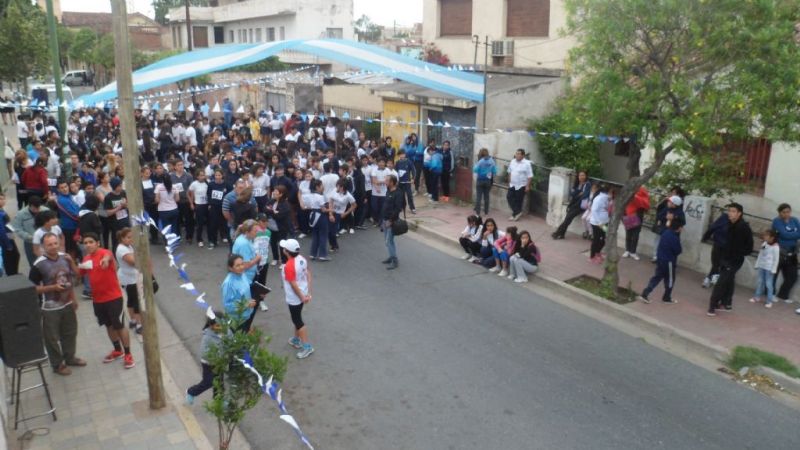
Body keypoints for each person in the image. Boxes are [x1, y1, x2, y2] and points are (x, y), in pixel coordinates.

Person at [29, 233, 85, 375]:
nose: (54, 247)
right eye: (50, 244)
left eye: (56, 243)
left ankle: (70, 358)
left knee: (70, 332)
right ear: (43, 246)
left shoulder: (65, 257)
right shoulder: (38, 265)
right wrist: (52, 288)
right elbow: (32, 289)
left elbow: (72, 278)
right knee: (52, 338)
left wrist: (73, 298)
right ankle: (57, 364)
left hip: (67, 303)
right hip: (49, 307)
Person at [79, 232, 135, 369]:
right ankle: (117, 350)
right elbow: (79, 274)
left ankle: (128, 354)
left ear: (97, 243)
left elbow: (108, 256)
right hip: (98, 300)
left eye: (91, 242)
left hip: (113, 298)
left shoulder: (105, 252)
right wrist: (71, 262)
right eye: (85, 243)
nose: (88, 245)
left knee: (119, 326)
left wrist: (105, 260)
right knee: (108, 325)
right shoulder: (86, 259)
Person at [707, 203, 753, 316]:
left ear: (739, 213)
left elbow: (749, 247)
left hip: (734, 260)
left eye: (733, 211)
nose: (730, 213)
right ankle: (727, 303)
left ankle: (712, 306)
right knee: (729, 280)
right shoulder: (730, 224)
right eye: (729, 211)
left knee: (721, 282)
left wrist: (737, 254)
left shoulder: (742, 227)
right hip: (726, 257)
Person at [281, 239, 314, 359]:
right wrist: (307, 293)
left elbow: (293, 284)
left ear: (286, 251)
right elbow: (308, 274)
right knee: (297, 317)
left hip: (295, 298)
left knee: (297, 321)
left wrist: (302, 297)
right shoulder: (302, 259)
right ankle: (296, 339)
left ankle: (307, 347)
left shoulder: (289, 266)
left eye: (284, 248)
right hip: (302, 293)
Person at [638, 219, 684, 304]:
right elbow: (678, 250)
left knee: (657, 277)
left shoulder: (666, 232)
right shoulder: (674, 237)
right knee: (670, 279)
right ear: (679, 228)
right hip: (669, 261)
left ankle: (645, 293)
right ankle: (667, 297)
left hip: (660, 259)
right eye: (682, 227)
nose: (682, 229)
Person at [185, 312, 224, 405]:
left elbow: (231, 340)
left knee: (219, 382)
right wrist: (216, 357)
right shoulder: (207, 337)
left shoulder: (226, 332)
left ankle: (219, 401)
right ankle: (191, 392)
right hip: (208, 364)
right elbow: (204, 353)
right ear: (211, 325)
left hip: (220, 362)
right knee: (208, 382)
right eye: (218, 325)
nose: (221, 327)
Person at [116, 228, 144, 334]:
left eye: (132, 237)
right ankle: (138, 324)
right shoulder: (122, 249)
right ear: (122, 238)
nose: (131, 239)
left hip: (129, 278)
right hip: (130, 279)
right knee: (136, 302)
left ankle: (133, 321)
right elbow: (133, 262)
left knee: (131, 300)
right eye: (128, 237)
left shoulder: (128, 246)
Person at [771, 203, 800, 303]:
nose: (786, 214)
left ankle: (783, 295)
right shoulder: (777, 221)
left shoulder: (794, 220)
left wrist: (790, 234)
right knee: (774, 274)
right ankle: (770, 294)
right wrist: (794, 234)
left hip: (792, 252)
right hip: (779, 251)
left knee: (793, 276)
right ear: (779, 213)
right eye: (784, 212)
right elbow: (784, 235)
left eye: (788, 212)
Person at [221, 254, 257, 332]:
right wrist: (246, 305)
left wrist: (259, 291)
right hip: (237, 321)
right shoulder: (228, 284)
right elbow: (227, 306)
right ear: (230, 268)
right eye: (237, 265)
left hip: (246, 316)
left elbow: (248, 286)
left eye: (242, 264)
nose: (241, 267)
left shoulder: (242, 274)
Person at [552, 171, 592, 240]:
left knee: (568, 219)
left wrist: (578, 194)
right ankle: (561, 234)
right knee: (567, 219)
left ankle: (558, 233)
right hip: (573, 204)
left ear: (586, 176)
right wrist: (579, 193)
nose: (581, 177)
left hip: (580, 206)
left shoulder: (587, 184)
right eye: (580, 175)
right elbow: (572, 193)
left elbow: (585, 196)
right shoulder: (577, 184)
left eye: (583, 175)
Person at [12, 195, 49, 267]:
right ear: (30, 205)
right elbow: (17, 229)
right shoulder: (21, 214)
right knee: (33, 263)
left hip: (45, 241)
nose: (37, 210)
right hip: (30, 242)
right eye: (35, 208)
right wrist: (28, 236)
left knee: (47, 261)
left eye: (39, 207)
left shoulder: (45, 211)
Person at [750, 229, 780, 308]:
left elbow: (776, 259)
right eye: (764, 235)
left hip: (769, 268)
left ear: (772, 238)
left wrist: (774, 269)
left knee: (768, 284)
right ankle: (757, 297)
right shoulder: (764, 244)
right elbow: (760, 254)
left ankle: (769, 301)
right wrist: (757, 264)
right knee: (760, 282)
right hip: (762, 266)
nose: (764, 237)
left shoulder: (776, 247)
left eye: (767, 235)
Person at [381, 175, 405, 270]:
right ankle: (391, 256)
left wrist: (390, 221)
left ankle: (394, 261)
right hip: (385, 219)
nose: (385, 182)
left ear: (392, 182)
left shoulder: (398, 193)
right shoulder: (388, 190)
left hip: (391, 221)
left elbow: (398, 208)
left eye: (387, 180)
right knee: (387, 241)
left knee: (389, 241)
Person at [701, 212, 730, 288]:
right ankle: (712, 278)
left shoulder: (737, 222)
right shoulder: (724, 218)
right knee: (716, 263)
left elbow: (712, 227)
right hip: (719, 245)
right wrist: (706, 237)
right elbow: (713, 227)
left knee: (719, 264)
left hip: (727, 247)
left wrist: (705, 237)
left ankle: (710, 279)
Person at [622, 186, 651, 260]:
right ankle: (628, 251)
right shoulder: (635, 195)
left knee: (634, 235)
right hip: (631, 215)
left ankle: (631, 251)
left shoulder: (640, 196)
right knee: (630, 235)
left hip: (636, 216)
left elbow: (646, 207)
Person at [506, 149, 533, 221]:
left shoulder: (527, 164)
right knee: (509, 197)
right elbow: (509, 172)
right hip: (512, 184)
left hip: (521, 185)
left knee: (518, 200)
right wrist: (509, 182)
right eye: (516, 153)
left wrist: (527, 186)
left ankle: (514, 215)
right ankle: (517, 212)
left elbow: (530, 176)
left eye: (519, 154)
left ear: (523, 155)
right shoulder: (512, 161)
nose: (517, 155)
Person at [103, 177, 129, 251]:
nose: (121, 187)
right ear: (114, 186)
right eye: (119, 186)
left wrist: (126, 205)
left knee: (127, 238)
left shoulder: (123, 193)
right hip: (115, 223)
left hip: (125, 220)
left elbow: (127, 204)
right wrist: (120, 207)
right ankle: (116, 254)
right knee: (116, 241)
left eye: (121, 185)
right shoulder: (108, 197)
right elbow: (108, 213)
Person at [589, 184, 610, 263]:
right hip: (597, 224)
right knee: (596, 239)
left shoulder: (607, 198)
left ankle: (598, 252)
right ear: (608, 192)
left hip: (604, 223)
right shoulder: (599, 198)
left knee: (604, 238)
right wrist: (599, 222)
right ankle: (592, 256)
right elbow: (594, 211)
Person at [188, 169, 209, 247]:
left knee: (209, 223)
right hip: (199, 205)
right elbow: (189, 193)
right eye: (200, 175)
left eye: (203, 175)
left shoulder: (207, 183)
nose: (202, 177)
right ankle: (199, 239)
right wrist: (191, 203)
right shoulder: (194, 184)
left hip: (207, 204)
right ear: (197, 176)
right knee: (200, 224)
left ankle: (211, 239)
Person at [155, 175, 180, 240]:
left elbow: (157, 200)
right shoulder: (174, 186)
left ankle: (167, 241)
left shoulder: (159, 187)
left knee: (166, 228)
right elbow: (177, 199)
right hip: (174, 209)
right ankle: (174, 241)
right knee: (174, 226)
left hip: (163, 210)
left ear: (162, 180)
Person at [472, 148, 496, 216]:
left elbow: (475, 170)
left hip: (480, 180)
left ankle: (478, 213)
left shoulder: (480, 161)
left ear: (481, 154)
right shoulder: (492, 161)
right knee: (486, 197)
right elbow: (494, 171)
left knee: (479, 197)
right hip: (488, 180)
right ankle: (486, 212)